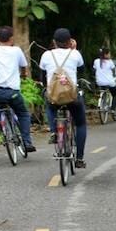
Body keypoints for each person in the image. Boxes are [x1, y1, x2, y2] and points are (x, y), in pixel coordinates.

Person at [0, 26, 36, 153]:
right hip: (12, 93)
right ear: (12, 39)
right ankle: (27, 142)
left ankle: (1, 125)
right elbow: (23, 67)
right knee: (23, 113)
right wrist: (22, 75)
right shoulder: (16, 51)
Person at [39, 28, 87, 168]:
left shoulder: (46, 55)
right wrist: (73, 49)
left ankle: (54, 131)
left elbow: (42, 78)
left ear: (54, 42)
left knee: (49, 103)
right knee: (80, 124)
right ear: (69, 41)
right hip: (72, 97)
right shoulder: (75, 54)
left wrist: (46, 88)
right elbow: (82, 72)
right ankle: (79, 158)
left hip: (54, 97)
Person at [93, 47, 116, 112]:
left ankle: (102, 103)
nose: (110, 55)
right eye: (109, 54)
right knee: (115, 95)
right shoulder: (110, 62)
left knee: (103, 90)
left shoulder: (96, 61)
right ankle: (113, 109)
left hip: (99, 82)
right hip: (109, 82)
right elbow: (114, 71)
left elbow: (94, 69)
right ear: (105, 54)